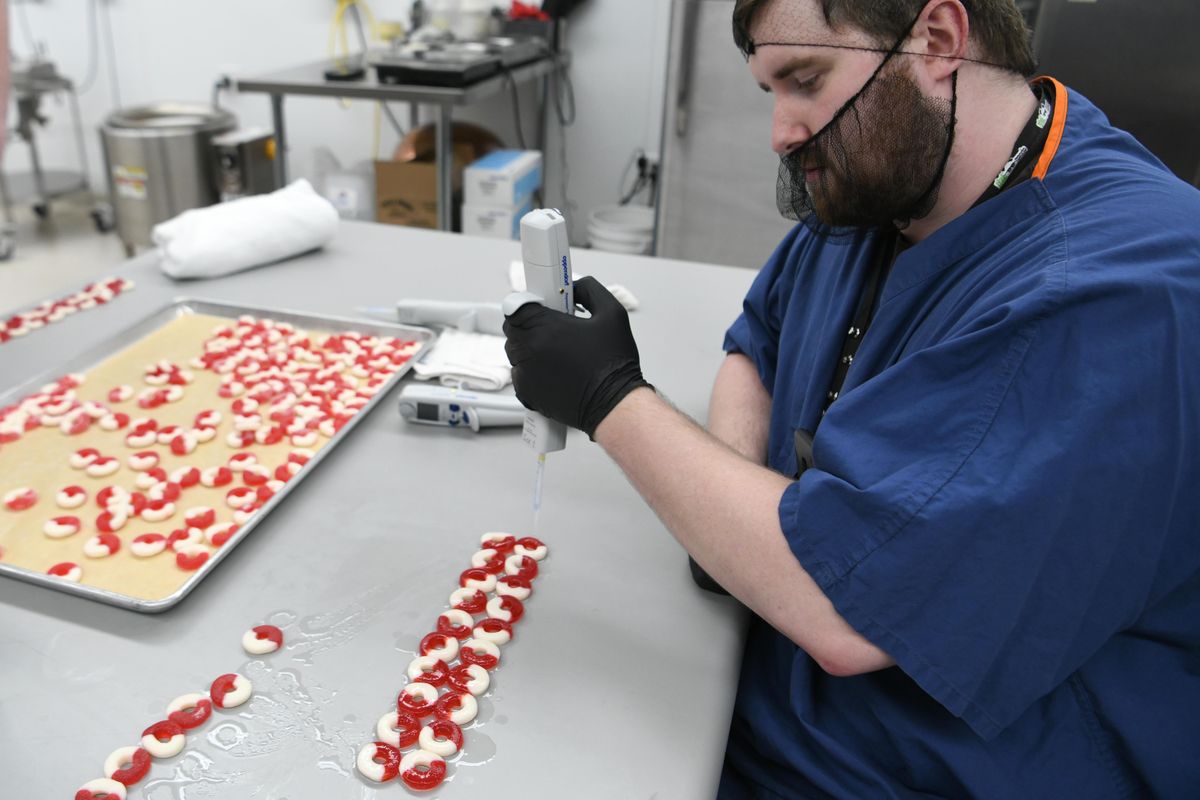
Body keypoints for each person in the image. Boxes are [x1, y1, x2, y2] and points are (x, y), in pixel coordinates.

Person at [503, 0, 1200, 796]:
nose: (782, 130)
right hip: (764, 686)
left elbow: (846, 616)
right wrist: (729, 533)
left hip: (935, 768)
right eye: (770, 90)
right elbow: (755, 346)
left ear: (938, 40)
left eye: (805, 80)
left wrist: (610, 398)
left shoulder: (1117, 294)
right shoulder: (887, 186)